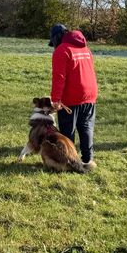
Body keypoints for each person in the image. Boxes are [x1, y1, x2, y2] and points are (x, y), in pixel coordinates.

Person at [49, 23, 98, 169]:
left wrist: (56, 99)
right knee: (86, 128)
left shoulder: (62, 50)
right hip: (90, 94)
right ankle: (88, 161)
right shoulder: (85, 48)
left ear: (57, 37)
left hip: (71, 96)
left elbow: (59, 77)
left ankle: (69, 162)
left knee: (67, 131)